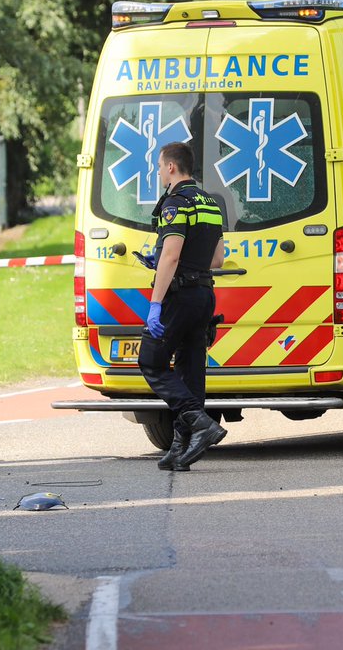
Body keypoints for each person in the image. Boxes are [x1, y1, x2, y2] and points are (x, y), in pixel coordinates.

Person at [138, 141, 227, 472]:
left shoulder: (175, 203)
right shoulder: (211, 203)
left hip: (180, 295)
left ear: (172, 167)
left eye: (160, 167)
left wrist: (156, 304)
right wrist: (164, 259)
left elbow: (173, 255)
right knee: (190, 372)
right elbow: (217, 258)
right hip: (204, 294)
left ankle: (202, 424)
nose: (159, 172)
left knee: (151, 361)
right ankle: (180, 448)